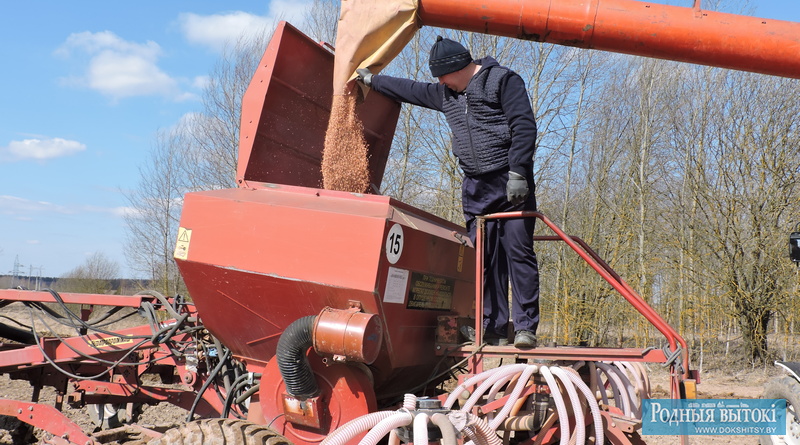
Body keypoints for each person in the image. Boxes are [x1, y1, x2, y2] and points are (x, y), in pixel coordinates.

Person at [355, 36, 540, 349]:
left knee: (517, 253)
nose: (439, 83)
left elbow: (524, 125)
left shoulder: (503, 81)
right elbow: (409, 89)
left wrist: (519, 171)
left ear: (458, 68)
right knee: (483, 259)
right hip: (476, 187)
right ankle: (491, 328)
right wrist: (373, 81)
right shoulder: (446, 94)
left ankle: (525, 329)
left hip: (509, 183)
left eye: (442, 76)